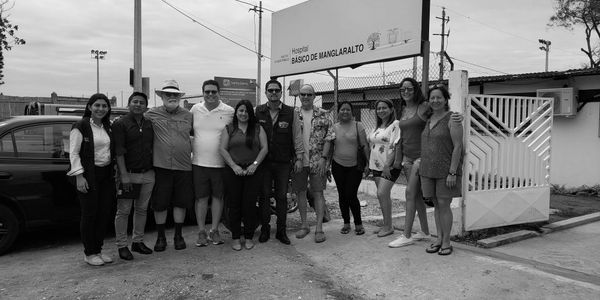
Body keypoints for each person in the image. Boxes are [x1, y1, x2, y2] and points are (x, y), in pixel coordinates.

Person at [388, 78, 462, 248]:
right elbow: (402, 135)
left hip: (429, 162)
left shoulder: (429, 109)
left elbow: (457, 143)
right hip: (417, 162)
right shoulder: (413, 113)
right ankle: (429, 234)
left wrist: (460, 115)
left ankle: (416, 236)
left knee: (417, 196)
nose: (406, 91)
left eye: (409, 88)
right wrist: (399, 159)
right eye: (402, 89)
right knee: (425, 200)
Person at [145, 80, 194, 251]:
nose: (171, 97)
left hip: (184, 167)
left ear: (179, 97)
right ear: (162, 96)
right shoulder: (151, 114)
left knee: (180, 203)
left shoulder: (189, 115)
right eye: (168, 94)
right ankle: (160, 237)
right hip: (161, 166)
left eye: (175, 94)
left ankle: (178, 236)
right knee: (160, 203)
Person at [68, 93, 115, 266]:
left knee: (103, 214)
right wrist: (79, 176)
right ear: (89, 107)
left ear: (108, 109)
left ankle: (98, 250)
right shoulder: (80, 126)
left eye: (104, 106)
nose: (100, 109)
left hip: (106, 175)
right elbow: (73, 153)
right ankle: (89, 253)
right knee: (90, 214)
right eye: (97, 105)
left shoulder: (107, 127)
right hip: (88, 176)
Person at [255, 79, 303, 245]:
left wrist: (299, 157)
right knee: (264, 196)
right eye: (270, 90)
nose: (273, 93)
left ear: (281, 93)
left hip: (283, 162)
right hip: (264, 163)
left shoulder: (291, 112)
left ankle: (281, 231)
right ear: (266, 93)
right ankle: (265, 230)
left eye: (276, 90)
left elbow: (297, 136)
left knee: (282, 197)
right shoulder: (258, 111)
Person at [420, 85, 463, 256]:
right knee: (436, 205)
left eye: (439, 97)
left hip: (446, 171)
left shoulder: (453, 119)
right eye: (432, 98)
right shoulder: (428, 119)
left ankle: (447, 242)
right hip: (428, 169)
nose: (435, 100)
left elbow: (458, 146)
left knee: (444, 205)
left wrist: (452, 172)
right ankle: (438, 239)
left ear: (446, 99)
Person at [220, 100, 268, 250]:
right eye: (241, 111)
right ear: (236, 112)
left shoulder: (258, 128)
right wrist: (234, 166)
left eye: (246, 111)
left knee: (250, 205)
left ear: (250, 113)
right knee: (234, 205)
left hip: (252, 172)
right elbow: (222, 149)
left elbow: (264, 148)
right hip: (233, 171)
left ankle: (248, 236)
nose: (243, 114)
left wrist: (255, 165)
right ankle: (235, 237)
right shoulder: (229, 128)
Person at [190, 79, 234, 247]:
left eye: (213, 91)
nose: (210, 94)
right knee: (201, 199)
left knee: (218, 198)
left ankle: (214, 230)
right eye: (207, 91)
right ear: (203, 92)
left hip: (221, 164)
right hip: (199, 163)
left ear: (219, 92)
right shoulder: (195, 109)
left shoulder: (229, 111)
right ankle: (201, 232)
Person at [112, 92, 154, 260]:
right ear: (129, 104)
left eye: (142, 102)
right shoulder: (120, 123)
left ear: (146, 106)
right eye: (135, 102)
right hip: (128, 174)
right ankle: (122, 245)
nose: (138, 105)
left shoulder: (149, 123)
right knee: (123, 211)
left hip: (148, 174)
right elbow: (119, 151)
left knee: (142, 209)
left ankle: (138, 241)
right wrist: (123, 175)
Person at [293, 84, 334, 243]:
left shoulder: (324, 114)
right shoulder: (293, 114)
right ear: (299, 96)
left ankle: (319, 227)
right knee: (300, 193)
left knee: (318, 193)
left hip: (318, 161)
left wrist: (324, 159)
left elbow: (329, 138)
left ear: (314, 96)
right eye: (303, 94)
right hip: (298, 161)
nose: (305, 97)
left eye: (309, 94)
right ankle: (304, 225)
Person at [325, 101, 369, 235]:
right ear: (338, 112)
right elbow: (331, 147)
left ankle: (358, 223)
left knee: (351, 194)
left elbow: (364, 146)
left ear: (352, 112)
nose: (345, 112)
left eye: (348, 110)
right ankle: (346, 223)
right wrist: (327, 165)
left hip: (355, 167)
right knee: (342, 195)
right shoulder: (334, 127)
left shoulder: (358, 126)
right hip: (338, 165)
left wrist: (367, 164)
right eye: (342, 110)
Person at [367, 99, 401, 238]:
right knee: (383, 196)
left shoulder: (395, 124)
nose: (381, 110)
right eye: (378, 108)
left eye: (384, 108)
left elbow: (395, 145)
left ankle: (388, 226)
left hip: (388, 166)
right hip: (376, 166)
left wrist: (388, 165)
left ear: (391, 109)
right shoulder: (378, 126)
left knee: (381, 193)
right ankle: (387, 224)